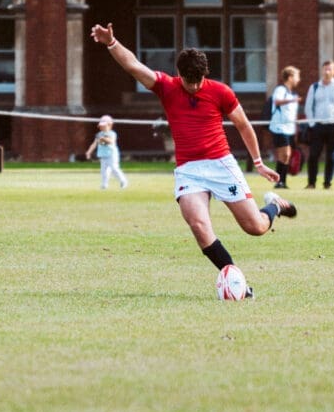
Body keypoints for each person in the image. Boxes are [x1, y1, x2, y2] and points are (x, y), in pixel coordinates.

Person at [90, 22, 296, 298]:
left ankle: (274, 207)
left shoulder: (221, 91)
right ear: (180, 75)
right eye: (190, 81)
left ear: (205, 74)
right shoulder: (167, 87)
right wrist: (111, 43)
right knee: (199, 226)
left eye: (199, 80)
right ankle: (237, 283)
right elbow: (134, 66)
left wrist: (258, 162)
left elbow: (244, 125)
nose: (195, 86)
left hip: (221, 164)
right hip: (189, 170)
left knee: (255, 228)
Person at [303, 60, 334, 189]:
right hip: (318, 126)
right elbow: (308, 107)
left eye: (330, 69)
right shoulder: (315, 87)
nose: (327, 72)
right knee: (313, 155)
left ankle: (327, 182)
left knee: (332, 156)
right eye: (325, 69)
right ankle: (311, 182)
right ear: (322, 70)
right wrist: (312, 123)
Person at [267, 66, 301, 189]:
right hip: (279, 127)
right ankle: (279, 180)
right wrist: (292, 100)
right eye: (297, 76)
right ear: (290, 77)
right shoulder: (281, 89)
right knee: (284, 153)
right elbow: (277, 101)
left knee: (287, 155)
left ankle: (283, 181)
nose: (298, 80)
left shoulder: (293, 93)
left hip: (290, 128)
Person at [85, 114, 128, 189]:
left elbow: (111, 141)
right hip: (103, 155)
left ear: (110, 125)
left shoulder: (112, 134)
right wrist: (89, 152)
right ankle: (104, 184)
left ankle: (123, 181)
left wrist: (104, 138)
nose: (102, 127)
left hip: (111, 154)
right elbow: (94, 144)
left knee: (114, 168)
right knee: (104, 171)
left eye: (104, 126)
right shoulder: (99, 135)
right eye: (101, 126)